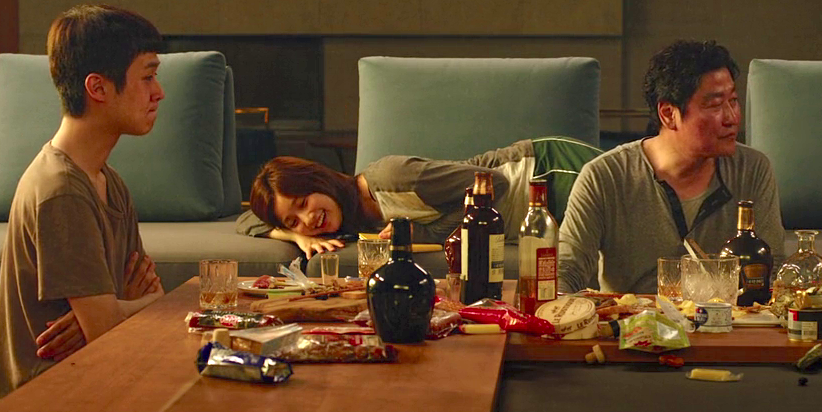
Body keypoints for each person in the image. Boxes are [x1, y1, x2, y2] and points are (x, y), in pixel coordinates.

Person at [0, 5, 167, 400]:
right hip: (53, 403)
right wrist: (143, 304)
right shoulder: (62, 191)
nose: (159, 92)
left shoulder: (108, 181)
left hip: (102, 377)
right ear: (98, 88)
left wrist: (115, 309)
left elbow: (119, 312)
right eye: (147, 76)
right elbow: (109, 325)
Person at [557, 40, 785, 294]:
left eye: (733, 101)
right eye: (715, 105)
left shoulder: (752, 169)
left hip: (728, 317)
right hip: (631, 316)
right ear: (668, 114)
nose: (731, 118)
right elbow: (567, 271)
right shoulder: (604, 176)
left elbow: (773, 270)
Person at [237, 137, 602, 257]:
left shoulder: (392, 178)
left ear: (320, 180)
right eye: (293, 219)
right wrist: (297, 237)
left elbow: (495, 184)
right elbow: (246, 221)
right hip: (533, 220)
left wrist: (424, 234)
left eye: (303, 204)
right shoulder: (350, 219)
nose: (309, 219)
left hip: (548, 176)